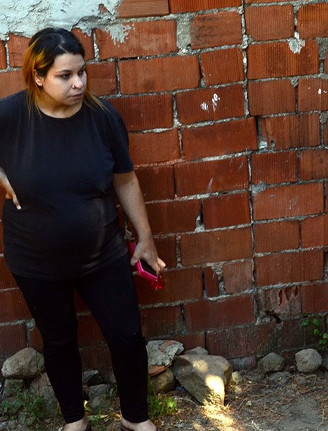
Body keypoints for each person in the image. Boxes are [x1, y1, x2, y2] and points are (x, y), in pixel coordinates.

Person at [0, 28, 165, 431]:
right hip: (35, 260)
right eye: (65, 75)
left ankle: (134, 419)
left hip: (103, 253)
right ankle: (75, 420)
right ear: (38, 76)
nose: (78, 83)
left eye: (83, 72)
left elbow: (125, 179)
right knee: (59, 342)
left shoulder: (103, 117)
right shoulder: (9, 116)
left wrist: (144, 238)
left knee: (126, 337)